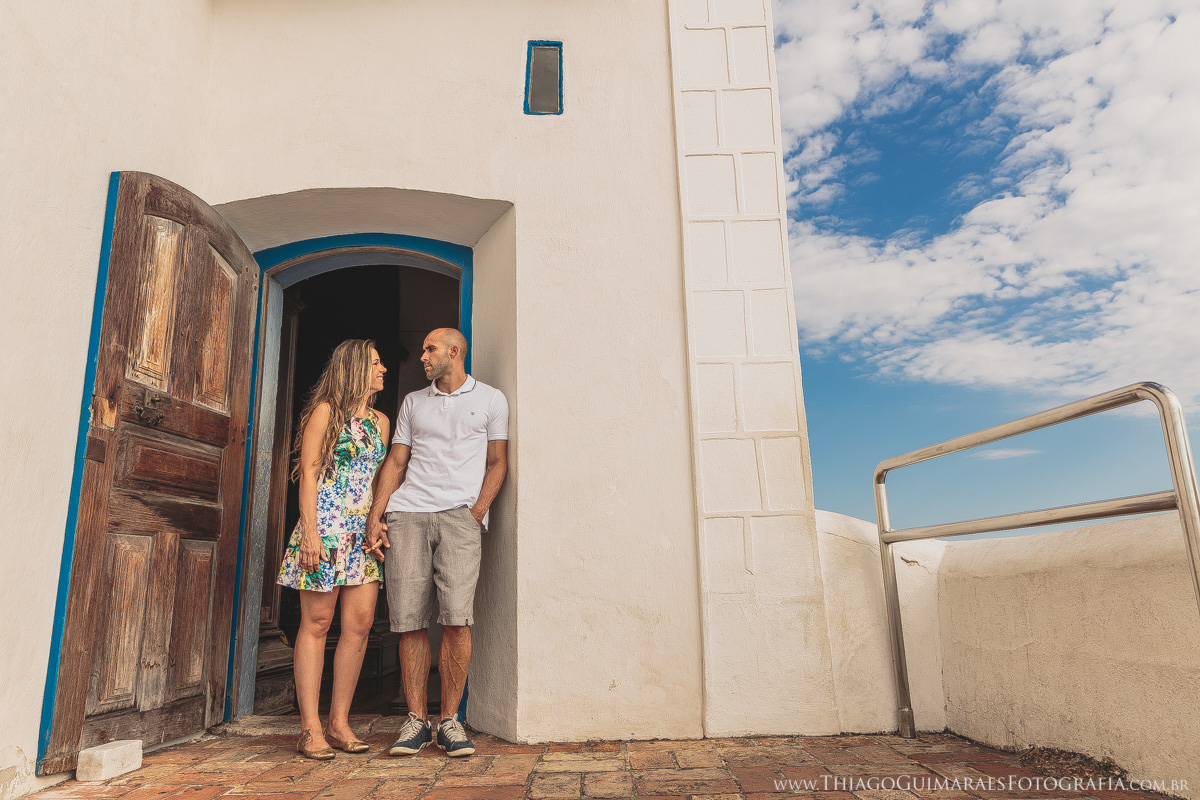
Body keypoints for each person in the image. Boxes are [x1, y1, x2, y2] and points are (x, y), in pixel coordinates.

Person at [365, 327, 508, 758]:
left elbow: (498, 462)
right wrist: (378, 512)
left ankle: (450, 721)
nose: (422, 356)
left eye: (430, 349)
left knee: (456, 618)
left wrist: (477, 512)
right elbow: (397, 460)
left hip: (460, 517)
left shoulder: (490, 399)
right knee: (408, 619)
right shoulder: (413, 402)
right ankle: (415, 721)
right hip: (408, 514)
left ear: (454, 351)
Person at [277, 339, 389, 760]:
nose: (383, 370)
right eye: (376, 364)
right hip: (324, 528)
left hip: (362, 534)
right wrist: (309, 532)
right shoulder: (326, 411)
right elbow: (307, 473)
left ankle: (340, 724)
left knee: (359, 625)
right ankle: (310, 729)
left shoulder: (380, 421)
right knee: (318, 623)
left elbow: (380, 480)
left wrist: (378, 522)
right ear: (356, 368)